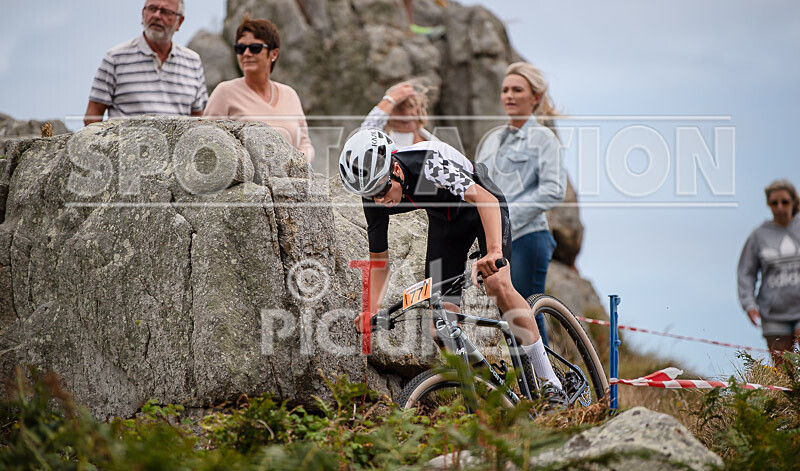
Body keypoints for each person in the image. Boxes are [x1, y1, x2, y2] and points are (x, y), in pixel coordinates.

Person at [339, 128, 568, 408]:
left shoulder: (426, 164)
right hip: (446, 226)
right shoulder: (373, 195)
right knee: (441, 328)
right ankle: (492, 397)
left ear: (396, 169)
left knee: (497, 284)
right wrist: (371, 310)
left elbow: (485, 200)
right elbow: (379, 261)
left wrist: (494, 252)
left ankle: (550, 384)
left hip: (482, 208)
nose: (380, 201)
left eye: (383, 190)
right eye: (371, 196)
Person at [475, 62, 566, 345]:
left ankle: (548, 385)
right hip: (494, 240)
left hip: (529, 237)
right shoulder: (490, 140)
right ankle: (520, 383)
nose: (509, 96)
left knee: (525, 309)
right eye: (505, 90)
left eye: (517, 90)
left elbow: (554, 189)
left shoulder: (544, 138)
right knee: (502, 316)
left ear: (535, 97)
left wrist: (507, 217)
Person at [203, 15, 314, 162]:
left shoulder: (290, 95)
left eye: (255, 48)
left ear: (274, 54)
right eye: (240, 48)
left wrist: (298, 161)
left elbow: (305, 144)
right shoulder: (224, 92)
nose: (246, 53)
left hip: (289, 181)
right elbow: (205, 141)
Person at [84, 0, 208, 126]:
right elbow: (92, 117)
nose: (157, 16)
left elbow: (198, 121)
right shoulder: (115, 58)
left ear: (179, 22)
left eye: (165, 12)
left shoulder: (193, 62)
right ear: (143, 14)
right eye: (152, 9)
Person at [738, 179, 800, 365]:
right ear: (768, 205)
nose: (780, 207)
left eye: (785, 202)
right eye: (774, 203)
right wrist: (748, 304)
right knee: (783, 370)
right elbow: (746, 272)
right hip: (773, 313)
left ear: (793, 203)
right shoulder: (758, 236)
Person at [360, 81, 436, 147]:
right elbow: (364, 137)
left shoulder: (434, 142)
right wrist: (390, 99)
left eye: (411, 106)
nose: (407, 113)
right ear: (388, 115)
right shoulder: (384, 147)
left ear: (420, 109)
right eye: (400, 108)